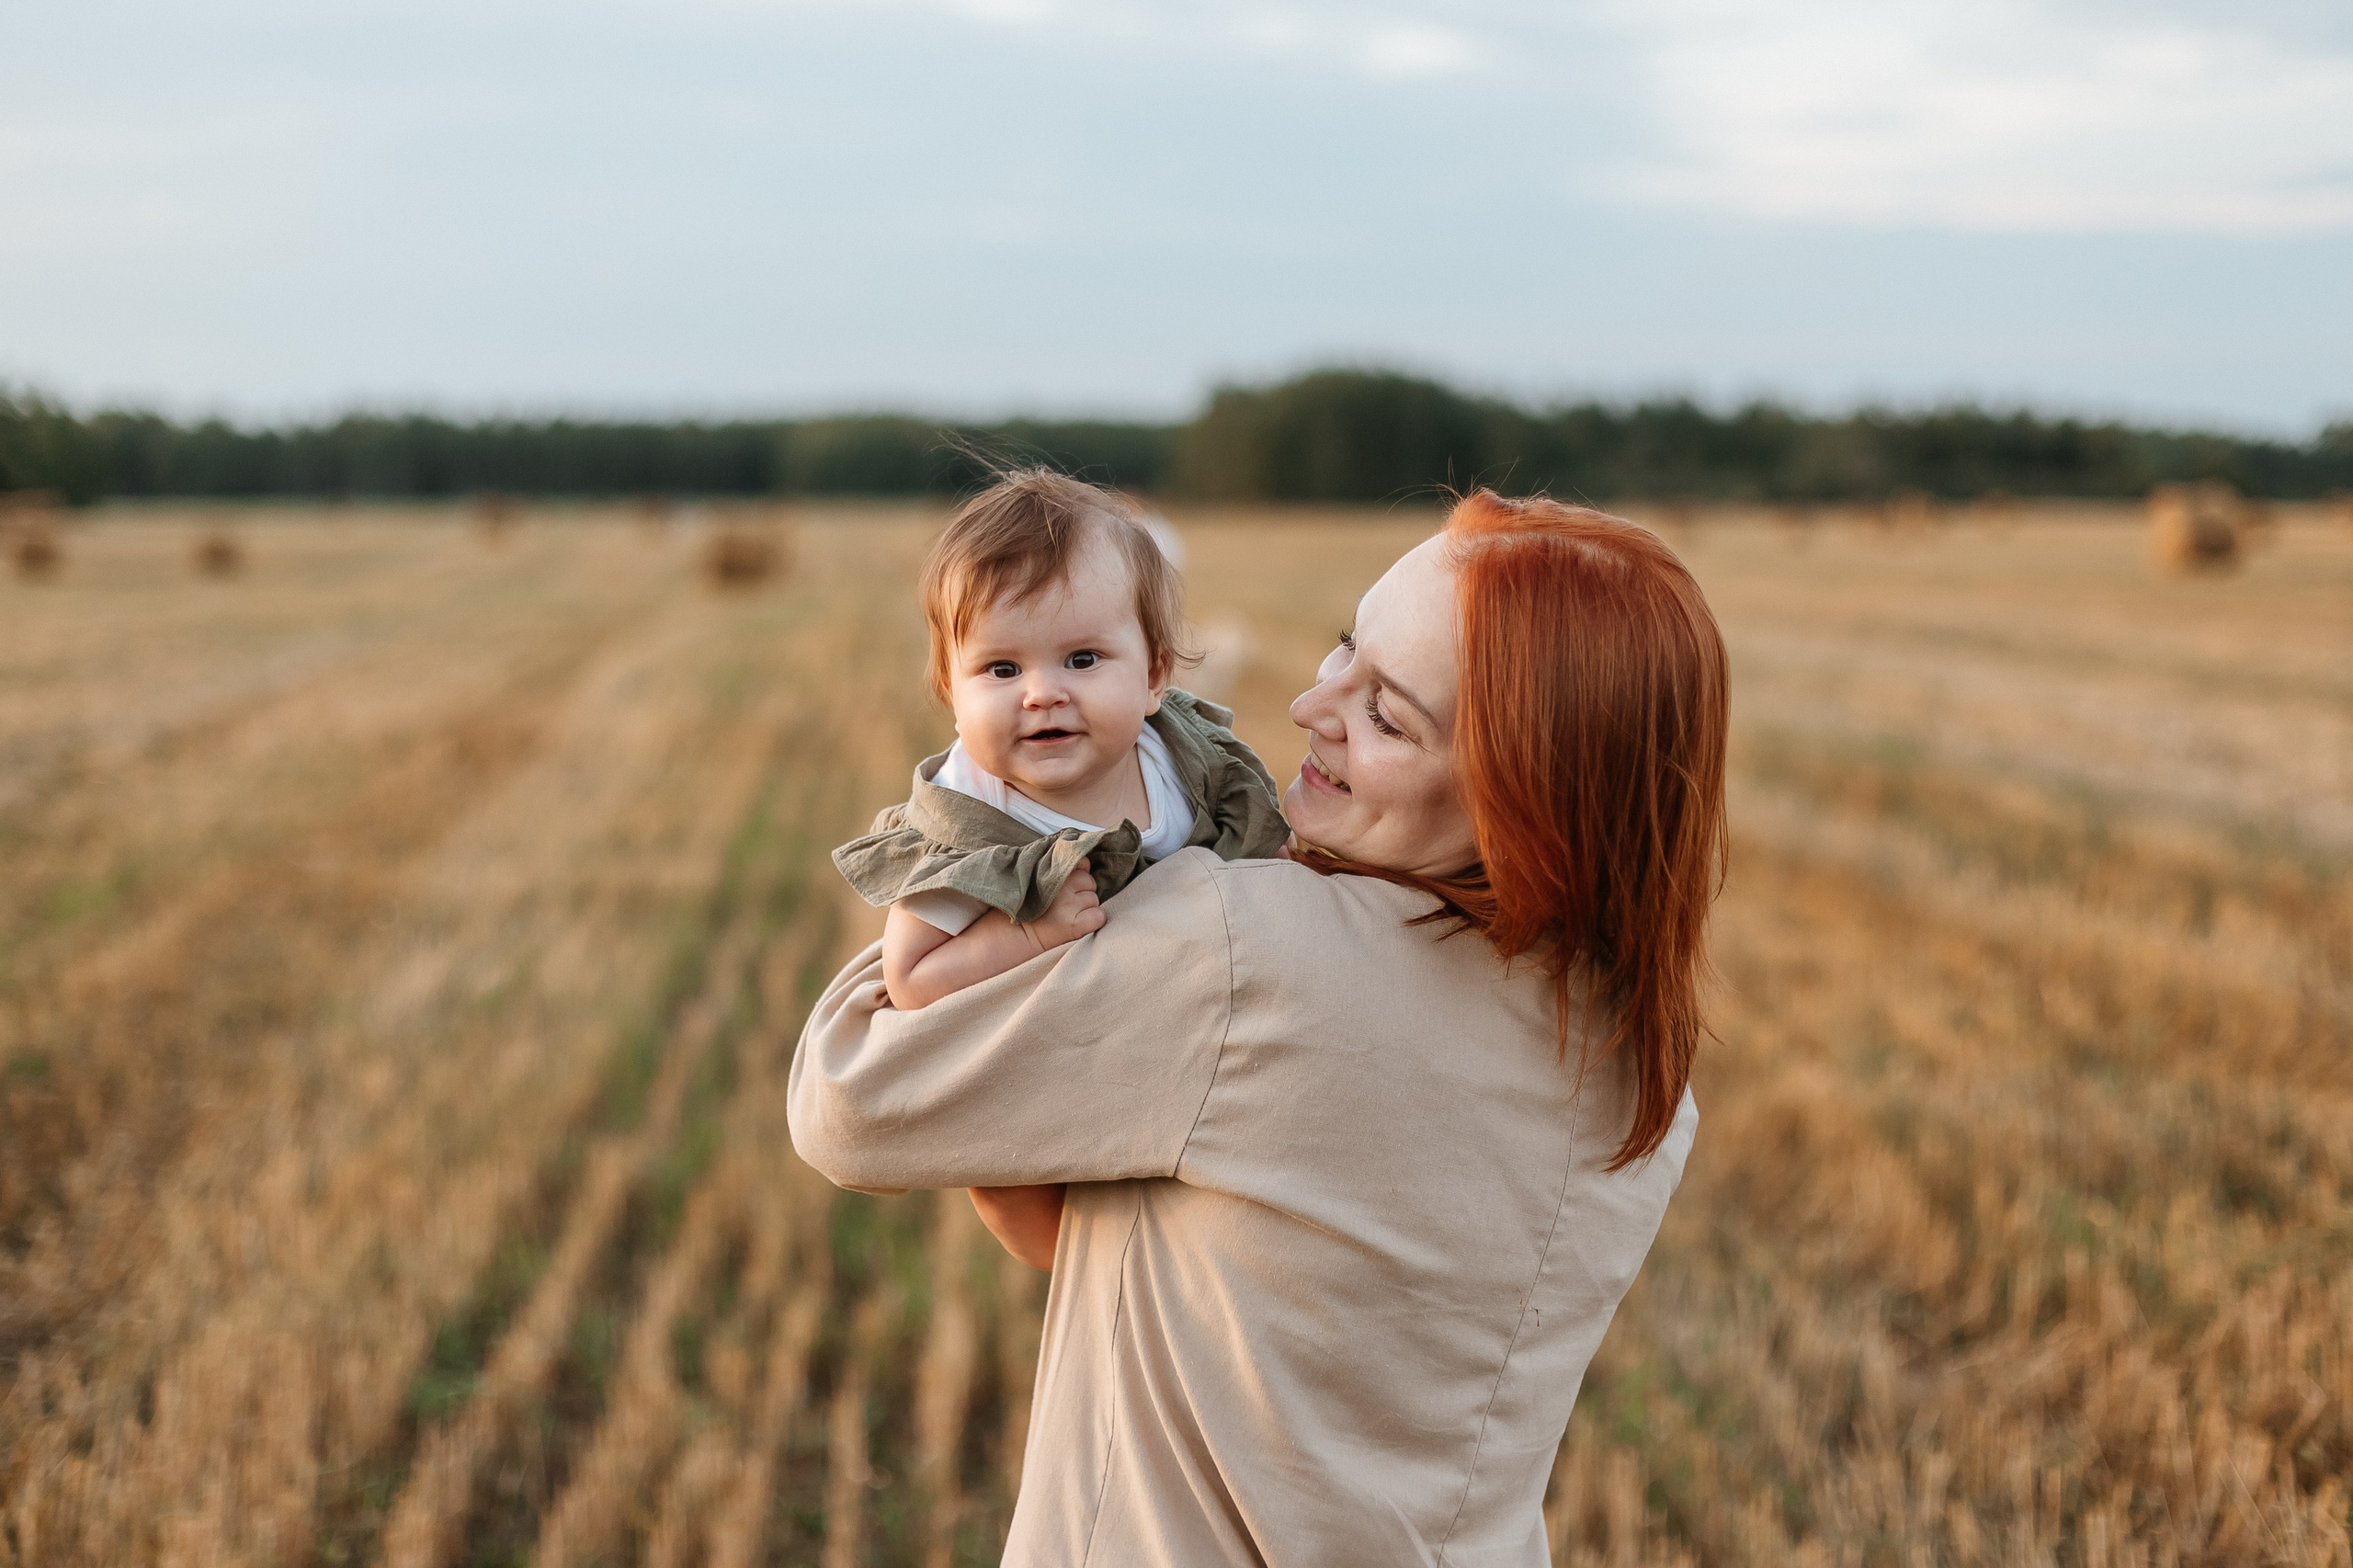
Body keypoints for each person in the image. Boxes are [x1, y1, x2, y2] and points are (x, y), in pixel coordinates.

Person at [790, 489, 1728, 1564]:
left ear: (1525, 799)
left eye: (1387, 714)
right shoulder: (1645, 1071)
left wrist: (986, 866)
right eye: (1344, 652)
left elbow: (852, 1096)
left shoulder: (1240, 950)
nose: (1306, 703)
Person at [830, 467, 1290, 1249]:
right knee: (1011, 1181)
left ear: (1152, 675)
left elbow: (1259, 850)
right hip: (1038, 1046)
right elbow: (910, 978)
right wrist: (1032, 936)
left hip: (1163, 1025)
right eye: (1001, 670)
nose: (1041, 693)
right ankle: (1072, 1265)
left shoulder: (1184, 761)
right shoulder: (973, 819)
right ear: (951, 688)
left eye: (1081, 659)